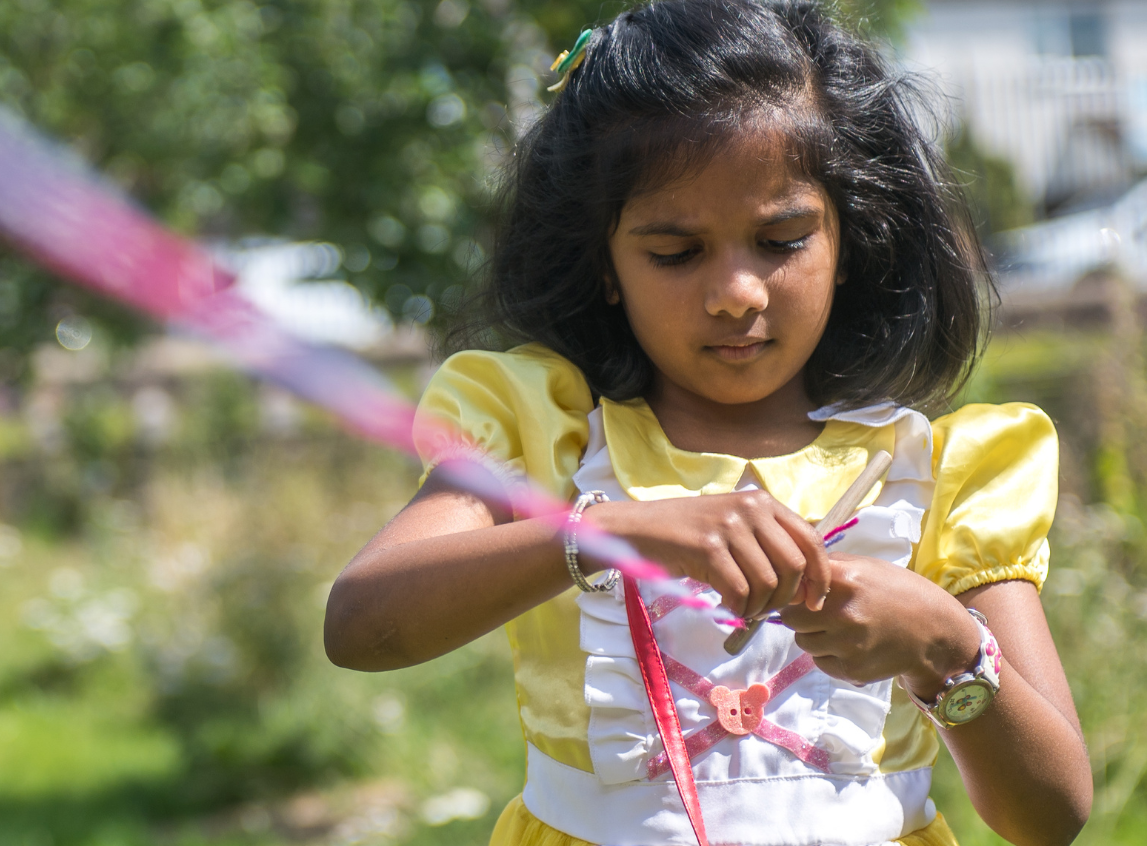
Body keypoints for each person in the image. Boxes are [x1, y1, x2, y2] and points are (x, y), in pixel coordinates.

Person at [322, 2, 1092, 845]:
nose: (736, 292)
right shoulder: (542, 433)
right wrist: (612, 534)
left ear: (850, 238)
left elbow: (1052, 813)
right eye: (675, 254)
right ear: (605, 265)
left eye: (782, 239)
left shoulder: (943, 472)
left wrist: (946, 648)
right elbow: (362, 627)